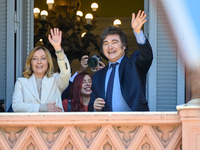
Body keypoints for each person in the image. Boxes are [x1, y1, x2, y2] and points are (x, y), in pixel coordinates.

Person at [88, 10, 153, 112]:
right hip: (107, 126)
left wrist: (137, 32)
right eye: (106, 43)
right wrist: (95, 107)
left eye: (114, 42)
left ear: (124, 46)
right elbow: (91, 107)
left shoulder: (134, 64)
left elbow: (147, 56)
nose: (110, 47)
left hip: (135, 124)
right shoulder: (98, 75)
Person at [12, 28, 71, 112]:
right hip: (30, 124)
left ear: (48, 62)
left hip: (53, 124)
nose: (39, 62)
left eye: (43, 58)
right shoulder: (21, 82)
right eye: (35, 59)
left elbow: (66, 73)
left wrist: (58, 49)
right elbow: (16, 106)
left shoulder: (56, 80)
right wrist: (42, 108)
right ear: (30, 62)